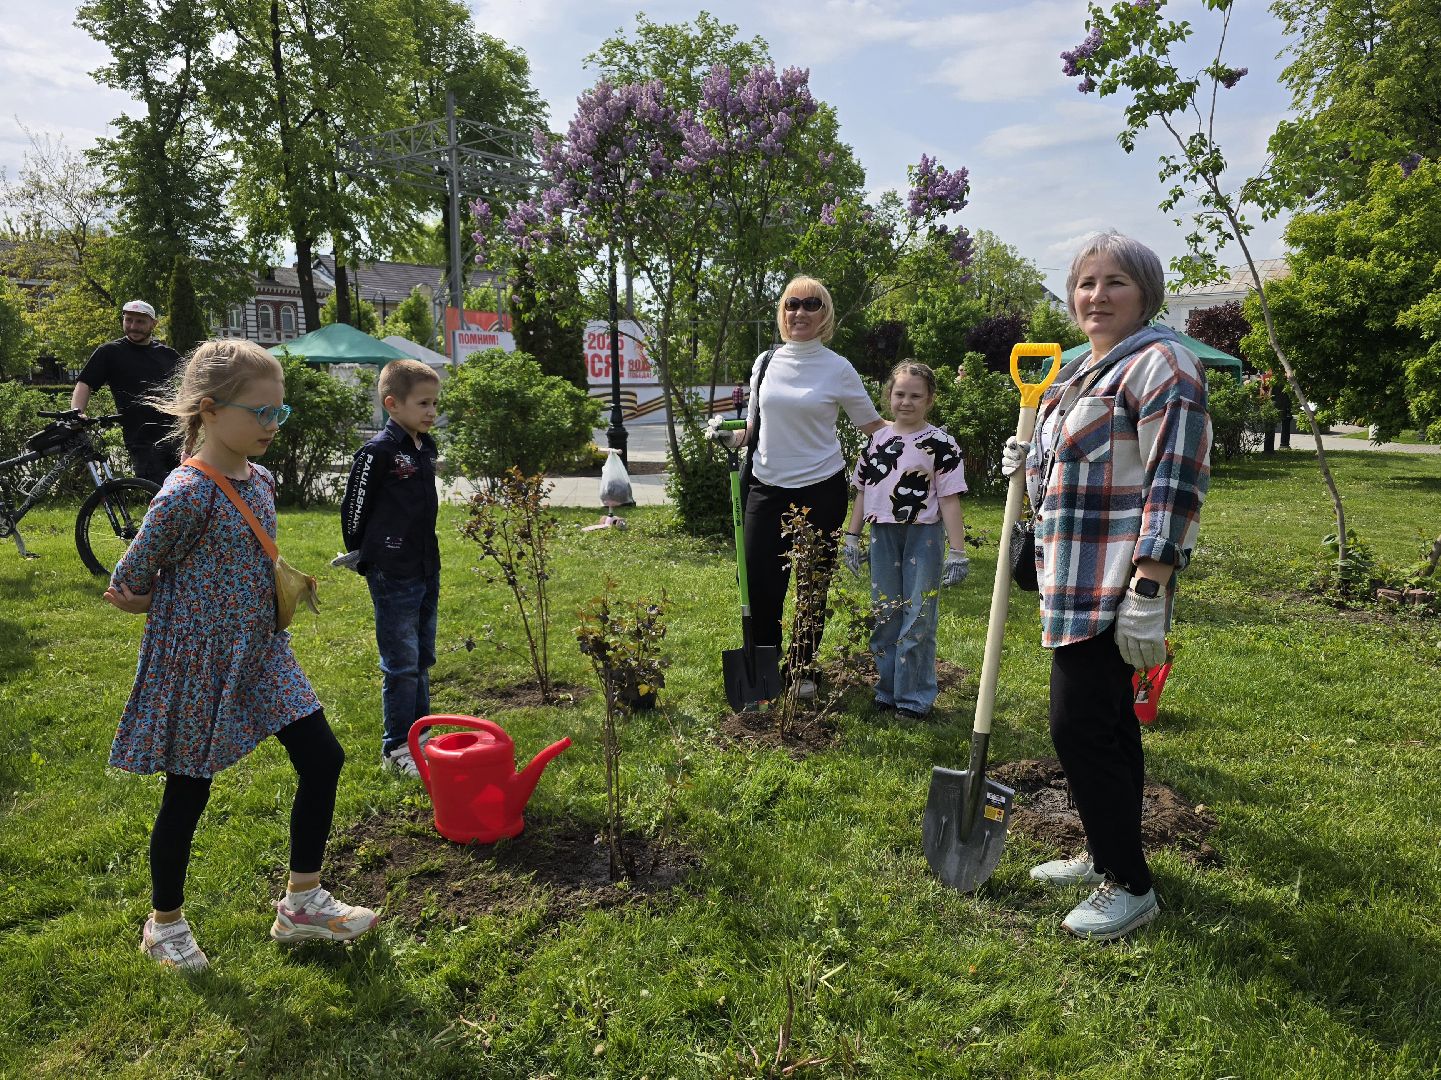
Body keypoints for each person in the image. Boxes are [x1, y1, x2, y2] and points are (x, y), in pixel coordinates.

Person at [104, 339, 378, 972]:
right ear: (208, 409)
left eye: (278, 412)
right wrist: (145, 599)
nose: (271, 425)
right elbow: (131, 576)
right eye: (260, 412)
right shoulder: (185, 493)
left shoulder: (263, 481)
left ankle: (302, 903)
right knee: (188, 791)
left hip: (262, 652)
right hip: (200, 666)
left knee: (324, 758)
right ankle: (164, 923)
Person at [1001, 231, 1211, 941]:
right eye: (1085, 282)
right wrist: (1026, 458)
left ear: (1145, 293)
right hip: (1073, 579)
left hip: (1115, 583)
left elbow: (1175, 480)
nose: (1096, 295)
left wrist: (1148, 588)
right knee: (1112, 727)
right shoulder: (1079, 373)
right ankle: (1102, 849)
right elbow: (1072, 466)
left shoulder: (1162, 365)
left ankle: (1130, 884)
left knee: (1078, 728)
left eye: (1114, 281)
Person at [708, 275, 886, 698]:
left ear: (824, 315)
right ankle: (765, 670)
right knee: (758, 583)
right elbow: (754, 427)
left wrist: (925, 442)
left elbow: (875, 427)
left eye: (811, 305)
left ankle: (802, 669)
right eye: (792, 304)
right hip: (765, 488)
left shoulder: (838, 367)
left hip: (820, 490)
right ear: (782, 311)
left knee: (811, 585)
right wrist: (733, 437)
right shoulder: (765, 363)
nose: (800, 313)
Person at [842, 361, 970, 719]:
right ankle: (887, 690)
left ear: (929, 400)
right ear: (889, 396)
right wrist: (852, 538)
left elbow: (949, 499)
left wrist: (958, 552)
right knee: (885, 613)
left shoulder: (941, 445)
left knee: (917, 616)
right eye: (900, 394)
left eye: (916, 396)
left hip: (923, 536)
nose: (906, 402)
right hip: (882, 535)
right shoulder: (877, 442)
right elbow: (863, 493)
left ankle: (913, 698)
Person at [340, 359, 441, 778]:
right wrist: (365, 553)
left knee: (421, 658)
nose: (432, 412)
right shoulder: (377, 452)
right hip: (392, 568)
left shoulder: (424, 447)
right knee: (400, 662)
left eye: (435, 403)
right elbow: (354, 508)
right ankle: (396, 747)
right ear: (392, 403)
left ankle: (420, 735)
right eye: (423, 403)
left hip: (424, 565)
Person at [72, 300, 183, 487]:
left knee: (186, 489)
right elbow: (85, 383)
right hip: (140, 438)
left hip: (176, 435)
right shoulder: (110, 352)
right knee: (156, 490)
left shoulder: (168, 355)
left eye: (140, 322)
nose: (133, 326)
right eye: (129, 320)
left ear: (153, 324)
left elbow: (193, 384)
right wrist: (77, 412)